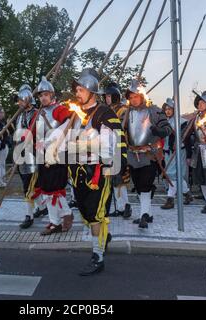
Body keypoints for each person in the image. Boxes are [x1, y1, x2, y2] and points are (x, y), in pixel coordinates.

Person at [68, 69, 127, 275]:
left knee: (95, 214)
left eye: (81, 89)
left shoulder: (105, 114)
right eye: (76, 89)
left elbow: (110, 146)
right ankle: (103, 237)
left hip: (98, 172)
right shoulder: (75, 115)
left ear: (92, 92)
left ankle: (97, 256)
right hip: (78, 171)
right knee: (86, 212)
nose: (77, 93)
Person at [124, 79, 173, 229]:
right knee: (138, 186)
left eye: (135, 96)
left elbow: (167, 129)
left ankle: (144, 215)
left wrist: (159, 131)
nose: (133, 100)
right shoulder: (127, 114)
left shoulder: (155, 111)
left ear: (142, 96)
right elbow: (121, 130)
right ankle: (148, 213)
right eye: (131, 97)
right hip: (133, 155)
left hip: (150, 154)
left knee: (145, 184)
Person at [33, 76, 73, 235]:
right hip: (43, 155)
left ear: (52, 96)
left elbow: (69, 124)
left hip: (58, 154)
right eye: (41, 95)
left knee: (55, 188)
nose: (43, 97)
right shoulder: (40, 112)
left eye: (46, 94)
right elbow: (33, 132)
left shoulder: (59, 109)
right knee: (46, 189)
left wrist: (50, 140)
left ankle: (66, 213)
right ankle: (54, 222)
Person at [12, 84, 48, 229]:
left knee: (28, 186)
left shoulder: (36, 114)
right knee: (33, 184)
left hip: (32, 153)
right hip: (21, 152)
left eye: (21, 100)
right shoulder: (19, 115)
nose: (19, 103)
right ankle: (41, 207)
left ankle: (29, 215)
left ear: (27, 100)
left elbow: (40, 136)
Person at [104, 83, 132, 219]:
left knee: (120, 179)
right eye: (106, 96)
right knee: (114, 179)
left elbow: (122, 127)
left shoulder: (123, 110)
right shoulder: (107, 110)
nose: (107, 98)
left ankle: (126, 206)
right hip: (108, 148)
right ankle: (120, 207)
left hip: (120, 147)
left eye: (109, 96)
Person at [161, 98, 194, 209]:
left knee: (173, 175)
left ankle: (170, 199)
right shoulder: (165, 122)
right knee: (174, 175)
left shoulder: (182, 122)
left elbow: (187, 139)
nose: (168, 111)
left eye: (170, 109)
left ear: (175, 110)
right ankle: (187, 194)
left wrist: (189, 155)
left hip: (178, 152)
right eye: (166, 109)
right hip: (168, 152)